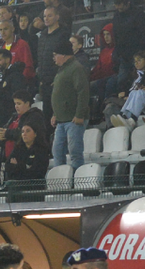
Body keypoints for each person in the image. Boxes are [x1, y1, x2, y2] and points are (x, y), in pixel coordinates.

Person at [49, 40, 89, 171]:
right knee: (57, 151)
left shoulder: (76, 68)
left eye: (55, 55)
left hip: (73, 119)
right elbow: (61, 94)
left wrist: (79, 115)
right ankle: (61, 178)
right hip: (62, 119)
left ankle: (78, 177)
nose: (54, 58)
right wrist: (55, 114)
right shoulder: (63, 69)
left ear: (64, 55)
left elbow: (83, 92)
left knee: (75, 151)